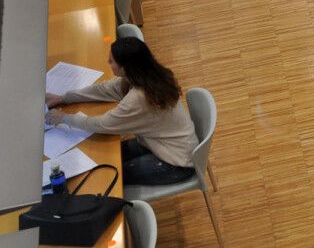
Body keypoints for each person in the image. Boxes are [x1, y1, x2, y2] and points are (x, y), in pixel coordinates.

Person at [45, 37, 199, 186]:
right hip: (158, 142)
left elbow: (103, 124)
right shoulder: (147, 75)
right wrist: (63, 98)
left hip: (177, 163)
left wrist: (64, 118)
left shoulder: (139, 97)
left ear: (125, 68)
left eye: (112, 61)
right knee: (104, 158)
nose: (108, 63)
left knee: (108, 175)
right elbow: (102, 90)